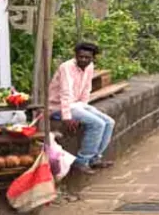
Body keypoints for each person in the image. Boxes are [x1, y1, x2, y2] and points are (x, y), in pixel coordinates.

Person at [48, 42, 115, 175]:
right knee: (97, 124)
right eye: (81, 57)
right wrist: (67, 117)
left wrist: (83, 111)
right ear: (76, 56)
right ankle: (82, 161)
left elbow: (86, 90)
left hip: (77, 105)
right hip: (58, 107)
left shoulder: (89, 67)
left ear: (93, 58)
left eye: (87, 58)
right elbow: (65, 93)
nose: (83, 60)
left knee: (109, 122)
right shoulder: (66, 67)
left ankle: (95, 158)